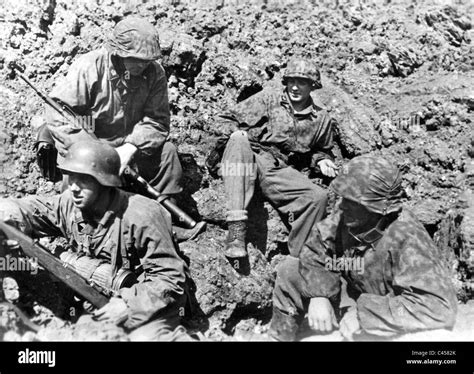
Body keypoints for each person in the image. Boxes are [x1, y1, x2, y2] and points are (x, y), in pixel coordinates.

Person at [0, 141, 193, 341]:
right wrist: (8, 212)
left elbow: (170, 279)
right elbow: (32, 210)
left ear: (104, 182)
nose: (74, 187)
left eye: (84, 180)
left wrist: (128, 305)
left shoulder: (143, 215)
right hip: (100, 298)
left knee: (143, 338)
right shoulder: (70, 204)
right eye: (71, 177)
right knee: (88, 333)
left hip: (149, 305)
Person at [267, 155, 458, 341]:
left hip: (387, 314)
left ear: (377, 209)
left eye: (353, 202)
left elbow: (438, 308)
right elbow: (315, 248)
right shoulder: (347, 214)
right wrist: (319, 294)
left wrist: (364, 314)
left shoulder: (407, 238)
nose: (342, 205)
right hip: (352, 296)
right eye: (344, 198)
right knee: (289, 270)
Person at [206, 57, 338, 260]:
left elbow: (321, 150)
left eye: (301, 82)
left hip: (279, 168)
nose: (294, 87)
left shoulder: (321, 118)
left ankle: (298, 260)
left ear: (312, 86)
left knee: (317, 197)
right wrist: (238, 138)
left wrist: (321, 160)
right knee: (239, 138)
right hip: (250, 156)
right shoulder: (268, 99)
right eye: (291, 81)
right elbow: (226, 120)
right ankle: (236, 230)